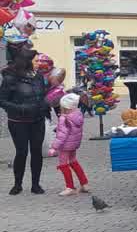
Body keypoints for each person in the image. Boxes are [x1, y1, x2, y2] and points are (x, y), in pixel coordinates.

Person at [0, 45, 50, 194]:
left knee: (36, 152)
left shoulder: (38, 76)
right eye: (36, 60)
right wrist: (20, 108)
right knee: (21, 152)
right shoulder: (10, 78)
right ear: (26, 61)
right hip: (18, 122)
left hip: (38, 120)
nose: (39, 63)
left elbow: (42, 95)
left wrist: (46, 105)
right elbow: (2, 100)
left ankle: (36, 185)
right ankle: (17, 184)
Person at [48, 93, 88, 196]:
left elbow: (61, 135)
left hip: (65, 146)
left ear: (65, 106)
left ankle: (70, 187)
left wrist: (54, 147)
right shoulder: (78, 114)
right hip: (74, 144)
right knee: (73, 161)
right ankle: (84, 184)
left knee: (63, 164)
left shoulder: (64, 118)